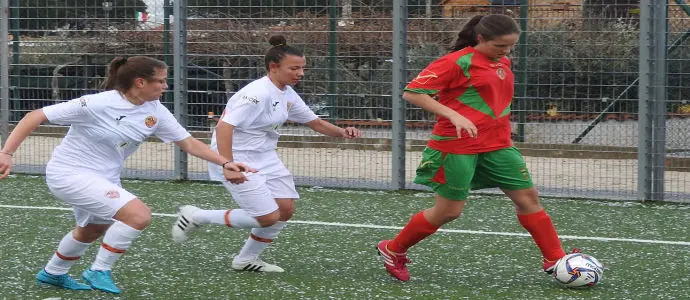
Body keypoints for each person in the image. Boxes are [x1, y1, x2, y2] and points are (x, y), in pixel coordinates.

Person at [0, 56, 255, 294]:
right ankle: (98, 270)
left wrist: (226, 162)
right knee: (138, 215)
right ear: (140, 82)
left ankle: (53, 272)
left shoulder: (154, 109)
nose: (166, 86)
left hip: (104, 177)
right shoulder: (98, 103)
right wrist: (7, 153)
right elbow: (34, 116)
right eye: (161, 80)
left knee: (92, 229)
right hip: (69, 174)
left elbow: (187, 142)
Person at [376, 14, 573, 282]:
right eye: (500, 46)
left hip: (498, 146)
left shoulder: (502, 61)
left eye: (510, 46)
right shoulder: (456, 62)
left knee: (528, 200)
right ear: (481, 39)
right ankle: (393, 248)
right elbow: (412, 92)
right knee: (449, 212)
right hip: (456, 146)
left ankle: (556, 259)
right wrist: (453, 115)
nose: (506, 52)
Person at [171, 35, 361, 272]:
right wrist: (227, 164)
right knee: (268, 217)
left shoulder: (287, 92)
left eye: (303, 68)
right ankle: (197, 216)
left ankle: (246, 260)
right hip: (236, 157)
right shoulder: (256, 94)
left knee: (285, 210)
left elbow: (315, 122)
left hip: (265, 156)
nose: (300, 73)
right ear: (273, 67)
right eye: (294, 68)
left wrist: (343, 132)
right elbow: (223, 126)